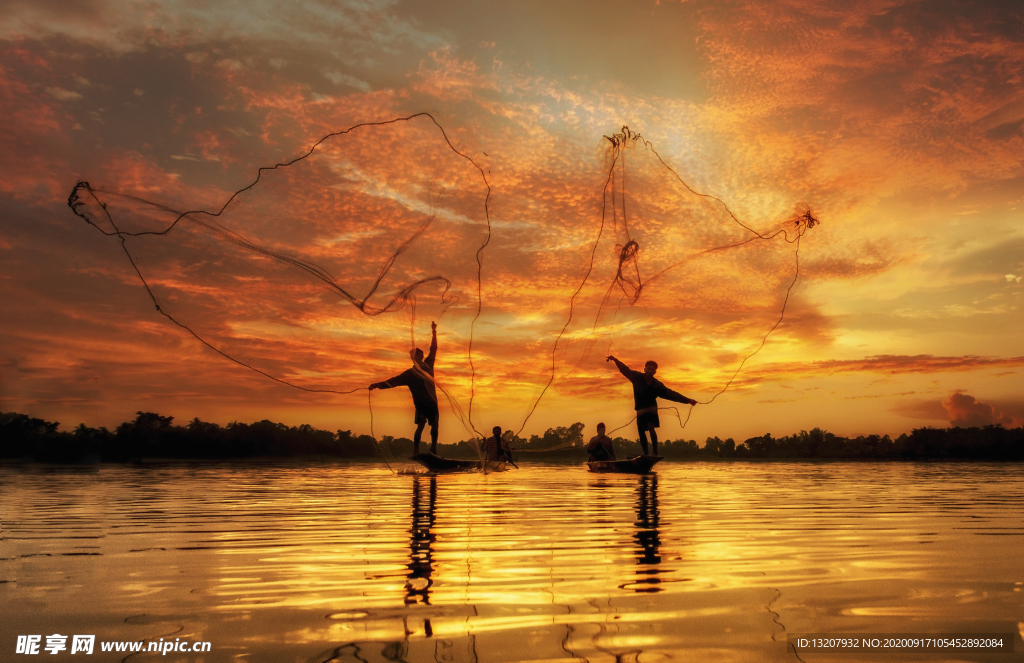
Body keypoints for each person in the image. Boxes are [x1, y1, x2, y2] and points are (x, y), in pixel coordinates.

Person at [370, 322, 439, 455]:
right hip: (423, 403)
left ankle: (433, 449)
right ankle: (416, 451)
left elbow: (434, 349)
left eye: (418, 356)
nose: (416, 358)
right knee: (421, 426)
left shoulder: (428, 365)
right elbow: (392, 382)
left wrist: (434, 332)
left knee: (434, 424)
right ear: (413, 359)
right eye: (414, 357)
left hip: (431, 402)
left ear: (421, 357)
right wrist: (376, 385)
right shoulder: (409, 374)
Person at [606, 355, 697, 456]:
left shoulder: (657, 385)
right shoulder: (636, 377)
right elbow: (625, 369)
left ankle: (655, 452)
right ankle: (645, 454)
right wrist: (615, 360)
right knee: (641, 432)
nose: (650, 369)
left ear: (654, 372)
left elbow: (671, 394)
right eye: (648, 367)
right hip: (640, 411)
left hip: (651, 410)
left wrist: (688, 400)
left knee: (650, 426)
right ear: (644, 369)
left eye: (653, 369)